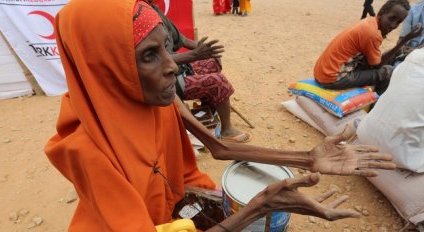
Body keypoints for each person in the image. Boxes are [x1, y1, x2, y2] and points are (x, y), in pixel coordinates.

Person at [45, 0, 396, 230]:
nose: (172, 67)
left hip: (170, 208)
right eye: (149, 56)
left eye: (167, 48)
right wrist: (256, 209)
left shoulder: (157, 99)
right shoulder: (86, 149)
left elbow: (218, 147)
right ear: (104, 66)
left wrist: (308, 158)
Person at [149, 0, 252, 143]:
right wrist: (195, 55)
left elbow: (182, 40)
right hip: (166, 80)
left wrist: (208, 51)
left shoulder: (154, 10)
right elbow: (160, 61)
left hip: (179, 70)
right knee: (219, 81)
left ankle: (206, 112)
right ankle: (226, 130)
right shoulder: (141, 20)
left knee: (211, 62)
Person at [313, 0, 420, 96]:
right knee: (388, 71)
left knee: (391, 54)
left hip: (324, 72)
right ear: (382, 13)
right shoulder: (372, 33)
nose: (393, 25)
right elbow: (377, 66)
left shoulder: (370, 22)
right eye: (391, 18)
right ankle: (375, 105)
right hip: (333, 78)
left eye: (398, 22)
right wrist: (405, 40)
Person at [393, 0, 424, 64]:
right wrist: (402, 47)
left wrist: (415, 51)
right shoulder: (413, 10)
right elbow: (402, 39)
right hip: (405, 56)